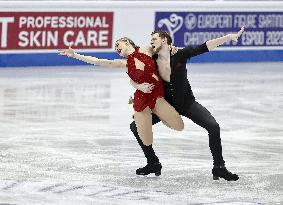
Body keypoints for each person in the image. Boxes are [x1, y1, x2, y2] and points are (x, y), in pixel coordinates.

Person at [130, 27, 244, 181]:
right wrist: (138, 93)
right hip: (167, 106)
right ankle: (153, 163)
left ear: (164, 40)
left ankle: (219, 167)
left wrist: (228, 37)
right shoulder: (152, 58)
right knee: (135, 126)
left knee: (213, 127)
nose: (151, 42)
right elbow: (139, 72)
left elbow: (204, 46)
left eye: (154, 39)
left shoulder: (180, 54)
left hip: (186, 103)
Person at [58, 37, 184, 176]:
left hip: (160, 95)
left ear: (127, 42)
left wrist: (172, 48)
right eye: (115, 48)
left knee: (177, 125)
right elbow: (98, 61)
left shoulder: (146, 50)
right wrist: (75, 55)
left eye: (118, 44)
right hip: (143, 99)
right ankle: (153, 162)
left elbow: (163, 49)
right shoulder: (124, 63)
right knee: (136, 127)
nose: (116, 48)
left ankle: (153, 160)